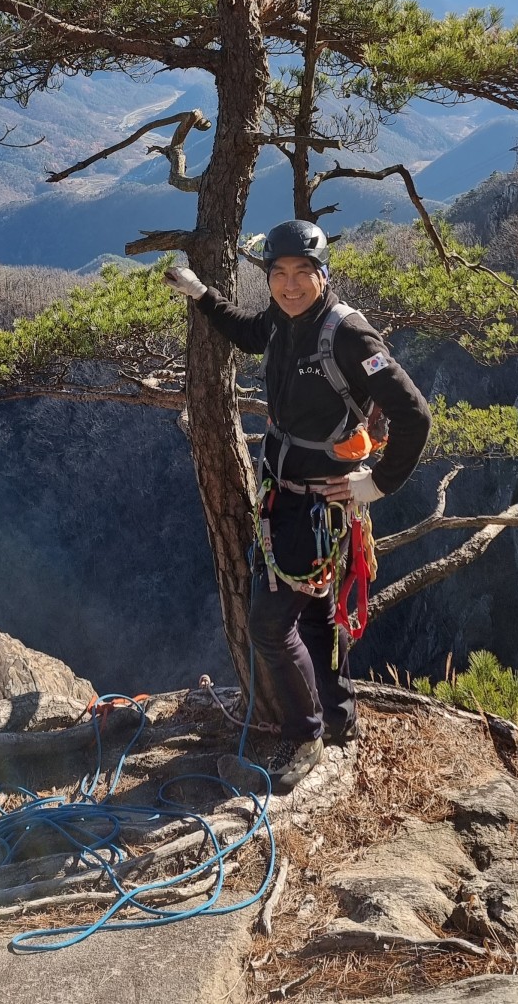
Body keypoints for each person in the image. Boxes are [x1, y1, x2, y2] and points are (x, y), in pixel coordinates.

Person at [166, 218, 431, 791]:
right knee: (314, 615)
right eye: (278, 274)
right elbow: (249, 332)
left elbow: (414, 414)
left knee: (268, 624)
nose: (289, 285)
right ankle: (338, 717)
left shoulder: (350, 337)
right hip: (288, 498)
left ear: (323, 274)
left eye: (302, 274)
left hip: (320, 506)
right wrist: (204, 297)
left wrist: (379, 484)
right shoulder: (285, 324)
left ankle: (305, 735)